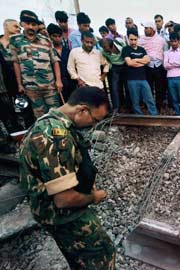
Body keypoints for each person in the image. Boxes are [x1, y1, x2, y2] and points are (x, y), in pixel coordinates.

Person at [19, 86, 116, 269]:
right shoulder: (56, 136)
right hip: (63, 216)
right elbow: (64, 199)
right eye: (94, 120)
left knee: (79, 260)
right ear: (81, 110)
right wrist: (94, 197)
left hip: (53, 213)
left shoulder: (51, 120)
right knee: (103, 254)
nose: (93, 126)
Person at [9, 10, 62, 118]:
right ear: (22, 24)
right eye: (28, 24)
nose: (31, 27)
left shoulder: (46, 40)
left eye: (34, 24)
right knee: (40, 117)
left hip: (49, 87)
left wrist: (58, 80)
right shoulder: (15, 41)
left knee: (56, 114)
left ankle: (58, 134)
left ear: (37, 26)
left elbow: (55, 61)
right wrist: (19, 84)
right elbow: (16, 63)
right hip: (31, 88)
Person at [122, 29, 157, 115]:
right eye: (131, 39)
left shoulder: (141, 49)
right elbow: (129, 63)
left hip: (143, 79)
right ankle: (140, 118)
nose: (133, 42)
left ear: (138, 39)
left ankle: (154, 116)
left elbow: (148, 61)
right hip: (132, 79)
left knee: (149, 98)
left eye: (135, 39)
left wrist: (136, 60)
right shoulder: (126, 49)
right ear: (127, 39)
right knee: (135, 101)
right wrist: (142, 62)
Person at [139, 21, 167, 112]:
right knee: (148, 88)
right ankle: (149, 105)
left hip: (159, 66)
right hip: (147, 66)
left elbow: (165, 51)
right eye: (145, 28)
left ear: (152, 29)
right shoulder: (141, 40)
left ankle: (159, 105)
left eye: (147, 28)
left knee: (160, 88)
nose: (145, 30)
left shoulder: (161, 40)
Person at [47, 23, 76, 102]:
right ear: (50, 36)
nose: (57, 38)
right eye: (55, 36)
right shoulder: (49, 52)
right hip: (57, 84)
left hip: (71, 82)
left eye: (59, 36)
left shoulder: (68, 51)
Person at [100, 38, 130, 112]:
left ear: (112, 46)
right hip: (114, 67)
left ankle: (129, 106)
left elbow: (127, 50)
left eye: (106, 48)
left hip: (125, 65)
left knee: (127, 86)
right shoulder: (102, 51)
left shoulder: (120, 43)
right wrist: (111, 66)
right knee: (114, 88)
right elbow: (106, 61)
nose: (105, 49)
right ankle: (116, 107)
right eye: (103, 47)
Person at [164, 32, 180, 116]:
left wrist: (171, 63)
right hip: (170, 78)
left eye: (175, 41)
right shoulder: (166, 53)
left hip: (179, 78)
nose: (173, 43)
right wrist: (176, 63)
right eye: (172, 41)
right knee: (174, 98)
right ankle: (178, 115)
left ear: (178, 41)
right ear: (169, 42)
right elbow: (165, 65)